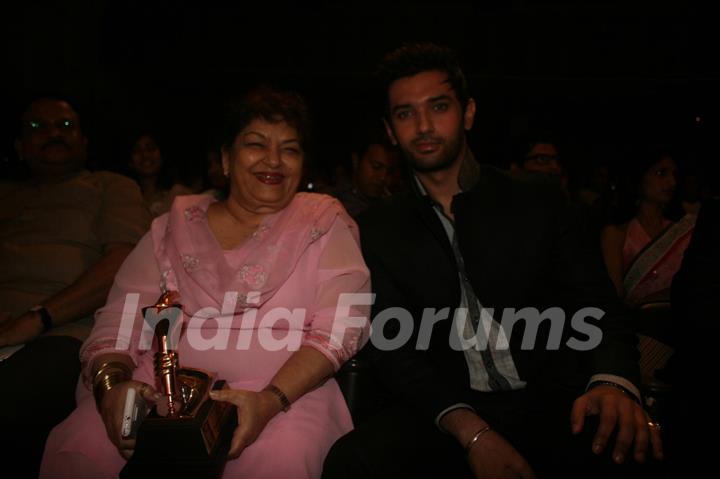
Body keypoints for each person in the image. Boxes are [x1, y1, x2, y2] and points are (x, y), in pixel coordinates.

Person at [323, 43, 661, 479]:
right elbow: (395, 350)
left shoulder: (536, 198)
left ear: (467, 113)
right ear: (390, 130)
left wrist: (613, 381)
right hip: (450, 411)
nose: (423, 125)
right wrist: (472, 432)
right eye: (406, 114)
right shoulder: (379, 230)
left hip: (556, 400)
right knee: (355, 461)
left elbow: (599, 307)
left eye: (438, 106)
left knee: (630, 443)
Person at [40, 86, 371, 479]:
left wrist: (268, 400)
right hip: (158, 389)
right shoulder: (174, 227)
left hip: (285, 396)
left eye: (291, 149)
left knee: (279, 461)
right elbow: (119, 318)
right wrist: (112, 389)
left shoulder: (321, 223)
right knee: (80, 449)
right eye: (256, 144)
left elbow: (342, 326)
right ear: (226, 159)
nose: (274, 160)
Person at [0, 97, 151, 478]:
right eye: (38, 127)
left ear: (85, 142)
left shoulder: (110, 188)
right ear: (19, 146)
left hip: (64, 332)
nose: (53, 134)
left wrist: (38, 318)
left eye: (65, 126)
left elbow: (123, 265)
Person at [600, 149, 695, 307]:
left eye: (674, 175)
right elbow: (614, 301)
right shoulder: (616, 234)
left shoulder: (685, 230)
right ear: (638, 177)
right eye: (661, 173)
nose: (672, 182)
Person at [329, 127, 402, 218]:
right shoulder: (331, 205)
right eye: (376, 167)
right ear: (356, 161)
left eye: (390, 172)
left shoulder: (390, 205)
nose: (383, 177)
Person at [126, 131, 196, 217]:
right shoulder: (125, 201)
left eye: (151, 149)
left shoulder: (178, 193)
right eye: (137, 151)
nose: (145, 155)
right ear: (130, 162)